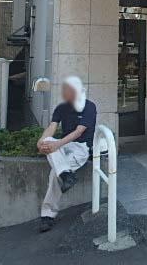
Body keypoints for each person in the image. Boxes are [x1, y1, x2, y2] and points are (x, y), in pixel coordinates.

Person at [37, 76, 97, 232]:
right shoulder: (61, 108)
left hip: (81, 147)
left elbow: (79, 132)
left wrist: (57, 144)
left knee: (54, 174)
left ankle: (47, 215)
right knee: (48, 140)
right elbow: (52, 127)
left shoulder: (89, 107)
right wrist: (41, 142)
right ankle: (66, 174)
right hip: (64, 146)